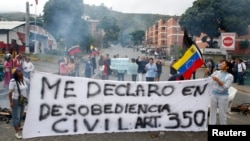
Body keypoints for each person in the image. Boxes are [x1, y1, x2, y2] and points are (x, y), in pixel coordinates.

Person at [209, 60, 234, 125]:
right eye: (221, 63)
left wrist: (218, 80)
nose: (220, 65)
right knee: (212, 111)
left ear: (227, 67)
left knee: (222, 113)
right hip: (214, 94)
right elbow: (209, 80)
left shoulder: (230, 76)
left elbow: (226, 87)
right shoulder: (216, 72)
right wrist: (207, 73)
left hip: (223, 96)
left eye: (223, 64)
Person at [8, 68, 29, 139]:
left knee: (21, 114)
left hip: (23, 100)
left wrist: (33, 74)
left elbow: (31, 81)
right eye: (19, 71)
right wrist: (11, 102)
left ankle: (19, 126)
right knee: (16, 116)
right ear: (15, 73)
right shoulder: (13, 81)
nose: (21, 72)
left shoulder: (24, 79)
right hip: (16, 100)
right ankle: (16, 132)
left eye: (21, 71)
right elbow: (10, 93)